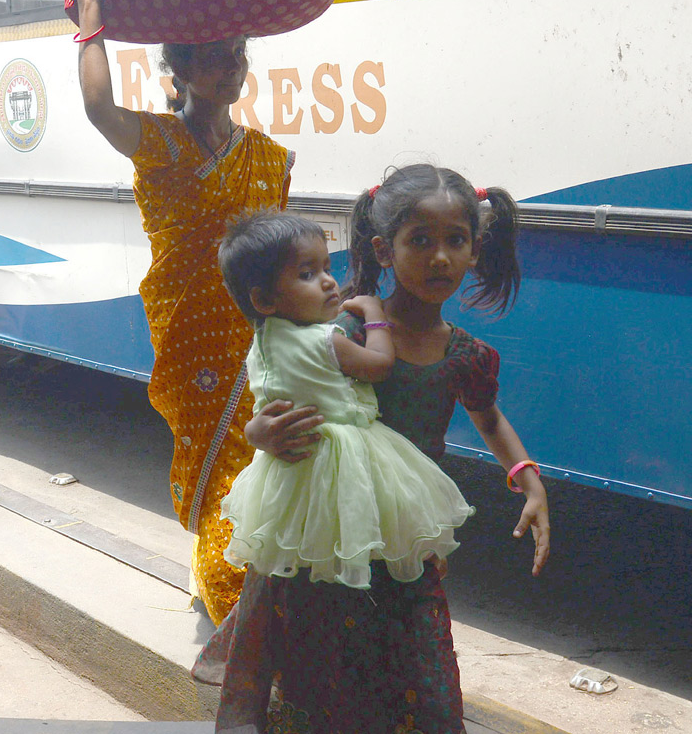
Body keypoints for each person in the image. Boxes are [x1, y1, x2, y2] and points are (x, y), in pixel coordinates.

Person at [194, 163, 551, 734]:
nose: (439, 258)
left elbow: (489, 419)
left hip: (405, 545)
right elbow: (277, 384)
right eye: (421, 241)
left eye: (456, 241)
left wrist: (527, 477)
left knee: (429, 694)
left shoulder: (466, 355)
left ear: (476, 249)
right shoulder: (348, 327)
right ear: (385, 249)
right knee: (324, 685)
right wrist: (257, 433)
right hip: (327, 542)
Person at [69, 0, 315, 624]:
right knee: (216, 463)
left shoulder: (269, 157)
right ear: (178, 69)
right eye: (212, 56)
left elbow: (285, 257)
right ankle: (228, 590)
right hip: (186, 333)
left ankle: (239, 575)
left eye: (237, 54)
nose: (230, 67)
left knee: (260, 457)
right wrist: (92, 10)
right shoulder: (158, 142)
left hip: (258, 335)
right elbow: (96, 104)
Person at [216, 210, 474, 591]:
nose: (327, 283)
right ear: (265, 300)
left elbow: (264, 403)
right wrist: (373, 315)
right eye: (307, 275)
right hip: (348, 458)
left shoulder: (262, 343)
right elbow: (380, 365)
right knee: (365, 534)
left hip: (291, 473)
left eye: (325, 268)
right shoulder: (327, 340)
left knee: (310, 554)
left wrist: (256, 431)